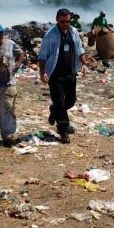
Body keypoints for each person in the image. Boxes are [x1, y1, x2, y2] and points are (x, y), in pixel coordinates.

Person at [38, 8, 93, 143]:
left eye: (67, 21)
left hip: (70, 72)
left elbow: (80, 49)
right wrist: (42, 72)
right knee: (60, 101)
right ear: (57, 20)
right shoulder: (50, 34)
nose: (65, 24)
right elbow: (43, 55)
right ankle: (63, 131)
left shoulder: (73, 31)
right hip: (55, 74)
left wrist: (84, 62)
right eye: (62, 22)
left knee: (71, 100)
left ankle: (54, 110)